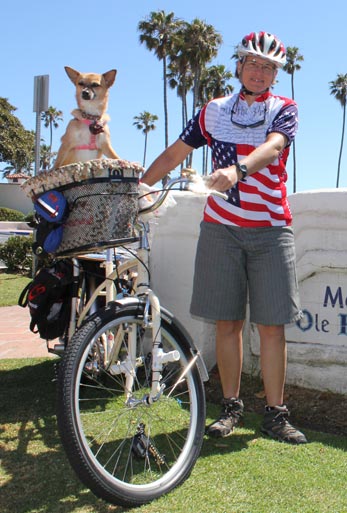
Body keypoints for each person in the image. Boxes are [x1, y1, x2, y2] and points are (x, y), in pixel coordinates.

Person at [141, 31, 307, 444]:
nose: (259, 71)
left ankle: (275, 414)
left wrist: (237, 170)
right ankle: (230, 407)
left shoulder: (284, 108)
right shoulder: (212, 111)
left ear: (275, 75)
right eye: (252, 62)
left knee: (272, 327)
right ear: (239, 65)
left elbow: (273, 147)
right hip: (220, 229)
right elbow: (174, 154)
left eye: (268, 66)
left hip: (271, 230)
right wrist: (139, 188)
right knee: (227, 323)